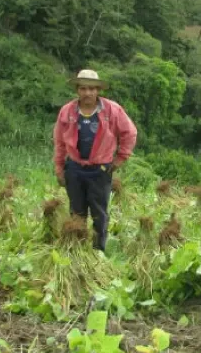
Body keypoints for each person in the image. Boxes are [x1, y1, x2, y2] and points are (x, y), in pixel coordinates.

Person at [53, 69, 138, 252]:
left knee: (99, 213)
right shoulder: (67, 111)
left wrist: (120, 158)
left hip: (100, 170)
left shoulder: (112, 110)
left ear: (98, 90)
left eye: (92, 88)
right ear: (77, 90)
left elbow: (129, 133)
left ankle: (98, 250)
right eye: (83, 88)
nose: (88, 93)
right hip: (74, 168)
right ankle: (77, 248)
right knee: (76, 212)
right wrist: (59, 167)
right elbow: (59, 141)